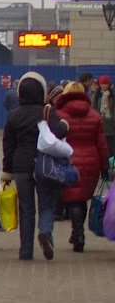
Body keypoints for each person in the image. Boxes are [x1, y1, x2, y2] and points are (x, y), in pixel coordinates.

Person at [0, 71, 64, 260]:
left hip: (21, 166)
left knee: (26, 208)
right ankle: (44, 231)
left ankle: (25, 251)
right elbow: (59, 132)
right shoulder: (48, 111)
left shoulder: (14, 115)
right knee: (46, 204)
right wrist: (66, 126)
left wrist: (7, 169)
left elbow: (8, 145)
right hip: (45, 164)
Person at [53, 81, 107, 252]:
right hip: (91, 162)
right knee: (81, 197)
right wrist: (105, 167)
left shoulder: (58, 115)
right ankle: (78, 232)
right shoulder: (95, 116)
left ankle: (78, 234)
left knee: (72, 197)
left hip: (67, 160)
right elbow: (102, 144)